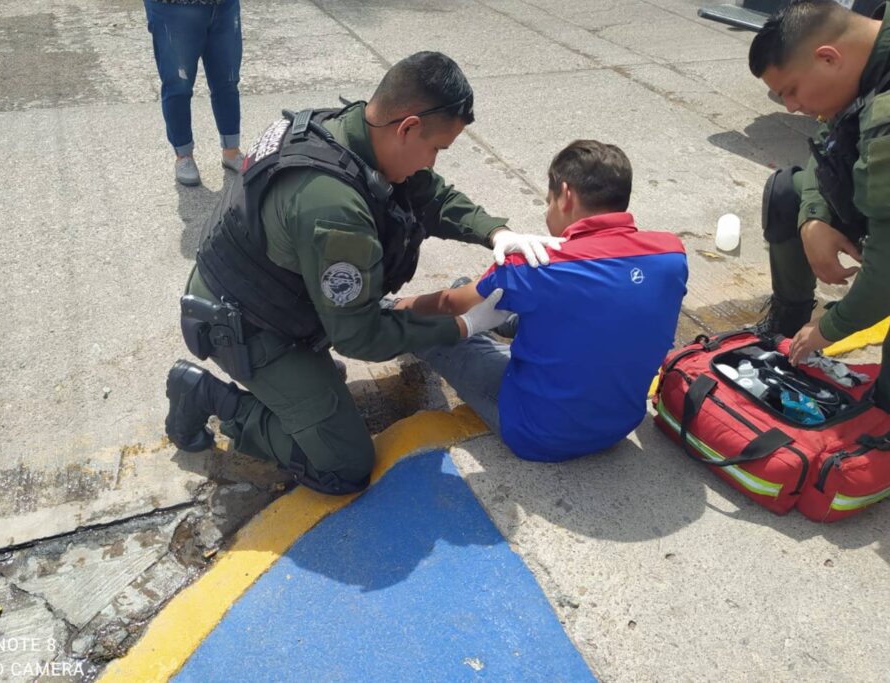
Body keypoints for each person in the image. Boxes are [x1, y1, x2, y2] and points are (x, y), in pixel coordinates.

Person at [164, 52, 560, 494]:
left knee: (334, 377)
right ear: (407, 127)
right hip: (244, 325)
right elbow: (359, 336)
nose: (432, 163)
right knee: (343, 465)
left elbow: (432, 195)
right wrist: (461, 328)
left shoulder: (356, 130)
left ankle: (304, 375)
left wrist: (496, 233)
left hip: (275, 297)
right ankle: (206, 395)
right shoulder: (334, 212)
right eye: (436, 149)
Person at [399, 141, 688, 462]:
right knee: (566, 310)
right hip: (618, 426)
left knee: (443, 325)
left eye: (548, 200)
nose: (547, 208)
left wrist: (384, 309)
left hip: (539, 433)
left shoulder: (533, 266)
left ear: (565, 195)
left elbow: (453, 304)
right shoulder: (671, 254)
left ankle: (410, 329)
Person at [749, 0, 890, 410]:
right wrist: (813, 220)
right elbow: (826, 151)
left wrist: (831, 327)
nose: (792, 107)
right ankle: (790, 323)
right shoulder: (866, 58)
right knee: (787, 192)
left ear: (828, 58)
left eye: (791, 91)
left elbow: (885, 272)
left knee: (883, 409)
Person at [144, 0, 244, 186]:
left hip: (224, 6)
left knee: (228, 80)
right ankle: (183, 156)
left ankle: (231, 150)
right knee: (178, 86)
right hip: (172, 7)